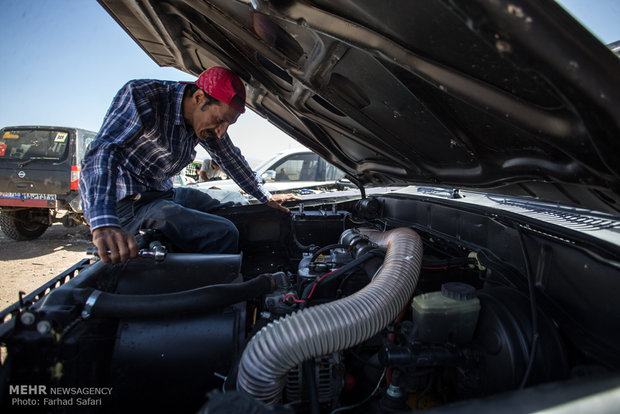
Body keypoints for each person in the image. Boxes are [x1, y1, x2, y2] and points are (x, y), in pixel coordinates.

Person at [80, 66, 300, 264]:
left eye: (228, 125)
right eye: (221, 120)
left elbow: (230, 158)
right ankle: (215, 297)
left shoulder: (205, 123)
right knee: (223, 233)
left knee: (232, 206)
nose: (221, 131)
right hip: (126, 205)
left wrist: (265, 197)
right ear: (198, 97)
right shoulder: (143, 96)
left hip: (162, 194)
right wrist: (104, 223)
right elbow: (103, 153)